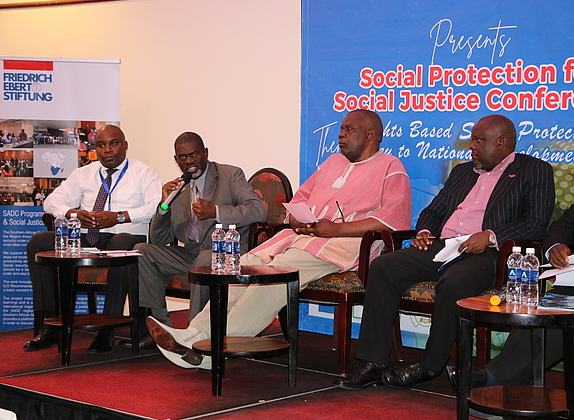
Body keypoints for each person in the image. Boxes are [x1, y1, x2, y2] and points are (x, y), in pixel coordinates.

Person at [145, 109, 412, 370]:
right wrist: (295, 218)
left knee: (273, 280)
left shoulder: (390, 167)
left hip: (342, 245)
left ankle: (209, 349)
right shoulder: (332, 163)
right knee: (238, 271)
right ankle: (193, 335)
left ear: (369, 135)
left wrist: (336, 230)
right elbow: (300, 200)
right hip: (298, 239)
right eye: (341, 129)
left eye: (349, 129)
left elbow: (392, 221)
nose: (341, 134)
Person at [335, 114, 555, 390]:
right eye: (472, 140)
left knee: (453, 282)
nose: (472, 146)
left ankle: (430, 364)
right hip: (444, 246)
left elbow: (535, 223)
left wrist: (489, 237)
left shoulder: (533, 170)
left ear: (501, 143)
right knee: (384, 266)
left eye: (479, 140)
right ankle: (373, 361)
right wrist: (425, 232)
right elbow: (434, 210)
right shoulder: (463, 172)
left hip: (489, 255)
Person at [449, 125, 574, 390]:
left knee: (572, 315)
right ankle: (504, 380)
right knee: (538, 307)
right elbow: (564, 226)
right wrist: (555, 246)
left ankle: (495, 379)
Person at [24, 125, 162, 354]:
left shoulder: (143, 173)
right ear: (95, 148)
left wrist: (119, 217)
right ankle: (50, 325)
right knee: (39, 242)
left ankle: (106, 330)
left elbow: (156, 207)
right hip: (86, 237)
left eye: (114, 143)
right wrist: (74, 214)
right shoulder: (84, 173)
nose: (107, 150)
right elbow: (51, 201)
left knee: (122, 243)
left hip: (125, 236)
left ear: (125, 145)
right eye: (101, 145)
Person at [132, 131, 267, 348]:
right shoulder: (179, 187)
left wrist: (216, 211)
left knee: (205, 259)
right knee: (142, 251)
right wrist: (164, 206)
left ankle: (196, 333)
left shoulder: (230, 175)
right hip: (192, 252)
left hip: (227, 253)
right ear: (176, 160)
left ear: (205, 153)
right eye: (182, 157)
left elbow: (258, 210)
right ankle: (161, 326)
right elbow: (158, 240)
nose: (189, 161)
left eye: (194, 155)